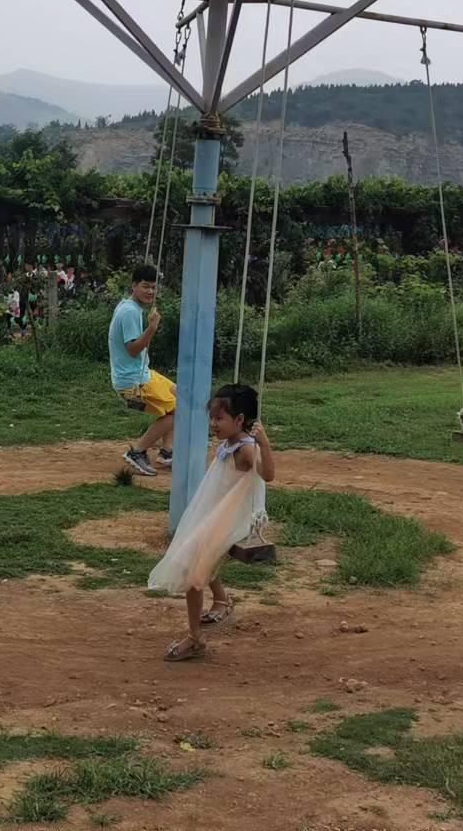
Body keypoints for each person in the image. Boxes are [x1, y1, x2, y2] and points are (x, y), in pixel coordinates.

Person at [148, 383, 276, 661]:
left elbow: (268, 475)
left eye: (219, 418)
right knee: (198, 555)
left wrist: (264, 444)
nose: (213, 424)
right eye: (212, 418)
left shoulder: (246, 449)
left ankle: (195, 639)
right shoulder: (229, 443)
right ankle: (220, 600)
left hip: (231, 518)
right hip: (215, 512)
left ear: (239, 420)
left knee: (194, 573)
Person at [109, 263, 175, 476]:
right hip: (133, 380)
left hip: (141, 374)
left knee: (181, 395)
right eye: (145, 286)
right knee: (180, 411)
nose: (150, 292)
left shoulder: (129, 307)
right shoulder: (130, 312)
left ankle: (167, 452)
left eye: (154, 287)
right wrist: (152, 329)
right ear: (134, 285)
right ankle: (137, 451)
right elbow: (133, 349)